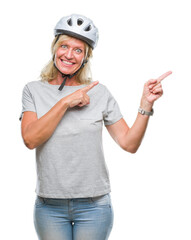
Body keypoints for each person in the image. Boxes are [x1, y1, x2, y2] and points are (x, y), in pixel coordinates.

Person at [19, 14, 172, 240]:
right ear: (55, 48)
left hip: (94, 207)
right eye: (64, 46)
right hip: (49, 206)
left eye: (78, 50)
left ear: (86, 57)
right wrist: (65, 102)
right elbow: (30, 139)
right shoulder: (32, 90)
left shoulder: (99, 92)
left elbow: (129, 144)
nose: (69, 55)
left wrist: (145, 104)